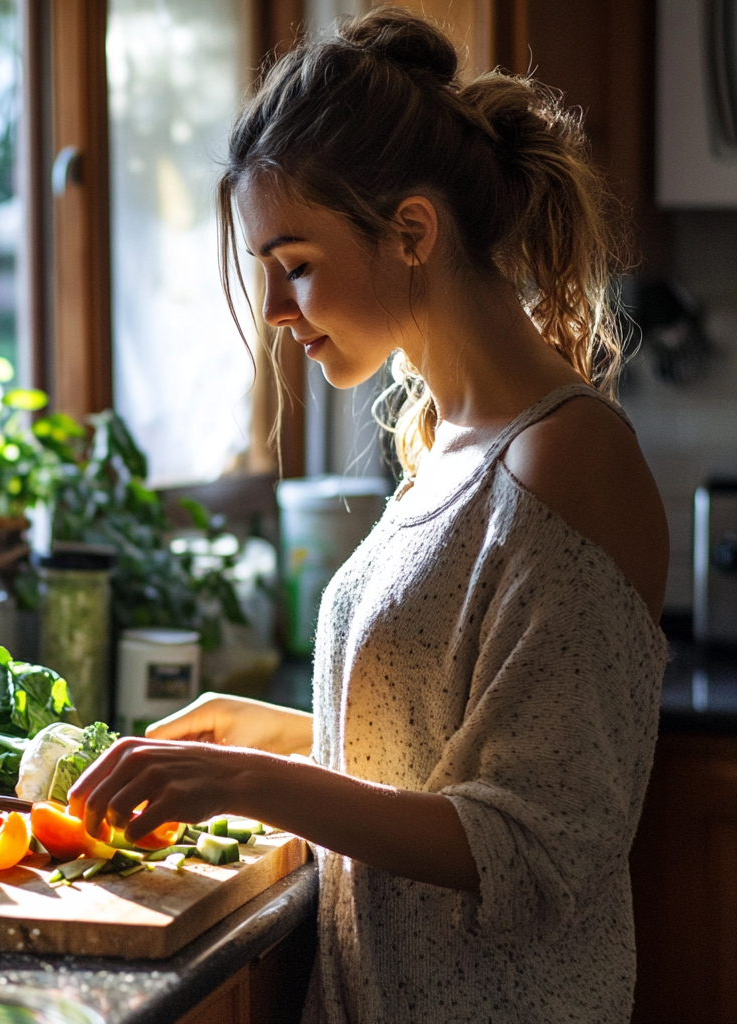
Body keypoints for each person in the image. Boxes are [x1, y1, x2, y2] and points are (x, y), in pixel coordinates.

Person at [69, 7, 670, 1022]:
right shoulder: (442, 440)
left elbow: (535, 841)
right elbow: (447, 753)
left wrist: (244, 785)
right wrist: (269, 739)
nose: (273, 311)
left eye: (293, 262)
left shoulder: (565, 458)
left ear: (411, 232)